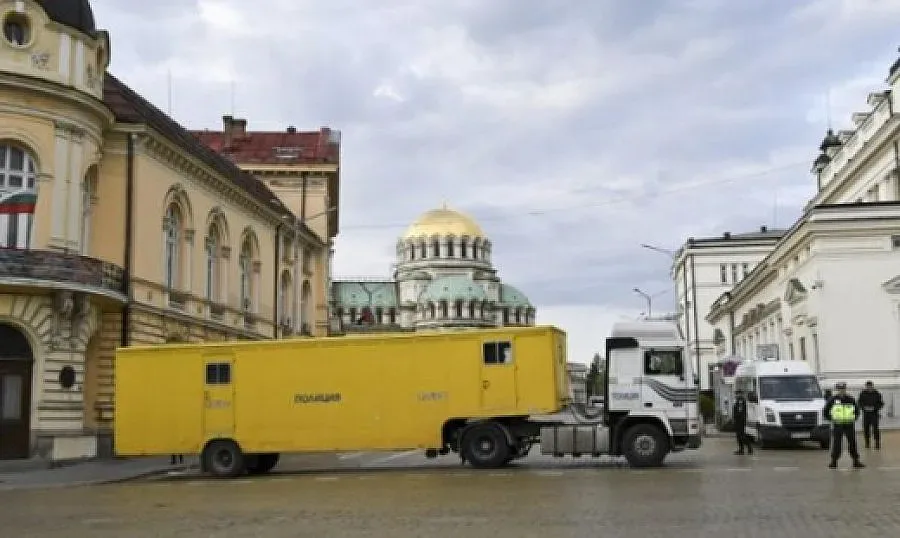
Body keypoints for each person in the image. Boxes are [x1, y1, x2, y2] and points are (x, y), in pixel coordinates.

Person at [823, 382, 865, 469]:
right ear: (837, 390)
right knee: (837, 444)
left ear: (845, 389)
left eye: (843, 389)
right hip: (838, 425)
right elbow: (826, 411)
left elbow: (857, 410)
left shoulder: (850, 399)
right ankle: (834, 461)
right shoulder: (832, 400)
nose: (841, 390)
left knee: (852, 443)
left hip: (849, 425)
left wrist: (854, 418)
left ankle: (855, 461)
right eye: (839, 389)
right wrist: (832, 419)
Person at [858, 381, 884, 449]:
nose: (869, 387)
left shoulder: (877, 393)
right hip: (866, 414)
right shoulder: (862, 393)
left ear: (872, 386)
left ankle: (877, 443)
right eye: (868, 386)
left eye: (870, 386)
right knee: (866, 429)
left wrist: (874, 408)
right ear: (866, 386)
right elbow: (860, 403)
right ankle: (867, 443)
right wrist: (864, 407)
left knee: (875, 429)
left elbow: (881, 403)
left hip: (874, 414)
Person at [732, 389, 752, 455]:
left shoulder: (740, 401)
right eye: (736, 394)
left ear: (740, 394)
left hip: (740, 420)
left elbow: (740, 411)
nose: (736, 395)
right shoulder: (738, 400)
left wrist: (736, 419)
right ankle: (741, 449)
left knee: (741, 435)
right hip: (738, 420)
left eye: (738, 394)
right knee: (739, 435)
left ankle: (749, 448)